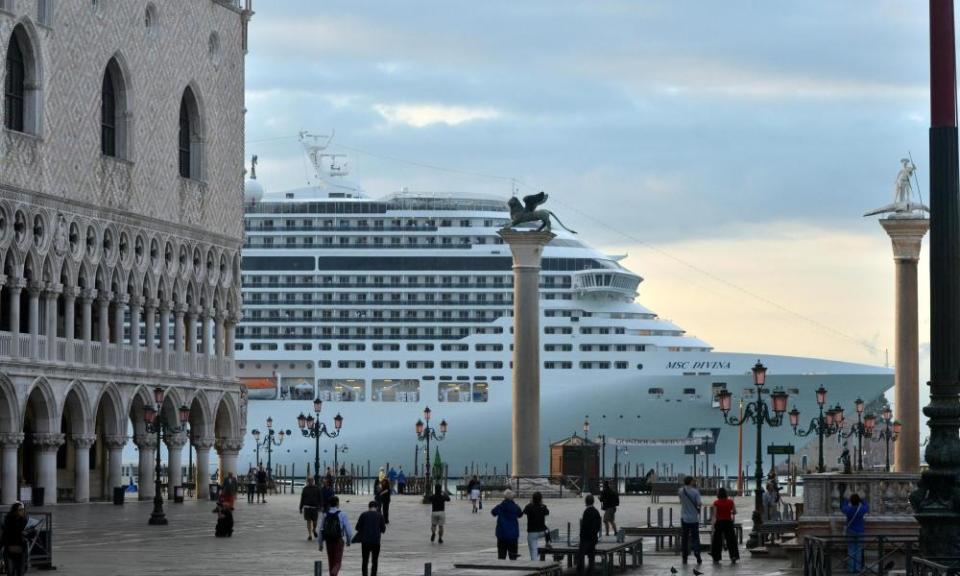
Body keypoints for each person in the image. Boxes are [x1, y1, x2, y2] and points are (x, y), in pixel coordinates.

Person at [321, 496, 353, 576]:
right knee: (337, 562)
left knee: (331, 562)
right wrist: (348, 541)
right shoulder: (342, 514)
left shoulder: (325, 515)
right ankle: (333, 573)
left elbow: (321, 529)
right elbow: (348, 530)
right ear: (337, 503)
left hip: (328, 541)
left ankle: (331, 573)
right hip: (338, 540)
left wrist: (320, 543)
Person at [355, 500, 387, 576]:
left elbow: (357, 528)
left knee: (365, 560)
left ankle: (364, 574)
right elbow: (383, 530)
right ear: (377, 507)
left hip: (365, 541)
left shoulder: (363, 515)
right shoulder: (380, 516)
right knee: (375, 561)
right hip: (376, 541)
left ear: (368, 507)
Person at [710, 487, 739, 564]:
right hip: (728, 522)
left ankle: (716, 557)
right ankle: (733, 556)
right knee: (731, 540)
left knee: (717, 540)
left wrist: (712, 526)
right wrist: (730, 512)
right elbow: (735, 512)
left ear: (718, 494)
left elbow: (714, 515)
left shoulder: (716, 503)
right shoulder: (730, 502)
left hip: (719, 522)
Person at [492, 489, 523, 560]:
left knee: (501, 556)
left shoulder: (500, 506)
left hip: (501, 534)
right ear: (512, 497)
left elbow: (493, 512)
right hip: (513, 535)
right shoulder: (515, 506)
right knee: (513, 556)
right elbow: (520, 514)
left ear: (504, 497)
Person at [841, 493, 869, 573]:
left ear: (851, 501)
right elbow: (867, 506)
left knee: (851, 549)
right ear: (858, 501)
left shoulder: (848, 509)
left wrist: (847, 500)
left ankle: (851, 568)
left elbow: (843, 507)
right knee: (858, 550)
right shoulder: (861, 510)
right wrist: (862, 500)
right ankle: (857, 568)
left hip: (850, 531)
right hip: (860, 531)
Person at [679, 476, 703, 565]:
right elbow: (699, 503)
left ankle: (684, 557)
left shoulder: (681, 491)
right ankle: (697, 553)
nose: (694, 482)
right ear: (690, 482)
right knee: (695, 537)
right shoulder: (695, 492)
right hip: (694, 519)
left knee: (684, 538)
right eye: (693, 481)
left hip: (684, 518)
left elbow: (681, 502)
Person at [576, 494, 602, 575]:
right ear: (593, 502)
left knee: (581, 555)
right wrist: (595, 533)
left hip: (586, 538)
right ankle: (591, 571)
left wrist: (581, 536)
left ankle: (581, 571)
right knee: (591, 556)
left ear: (586, 502)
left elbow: (584, 526)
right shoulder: (596, 511)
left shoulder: (586, 512)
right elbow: (598, 525)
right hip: (593, 537)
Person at [2, 502, 27, 576]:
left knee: (20, 572)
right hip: (10, 550)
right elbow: (6, 535)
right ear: (15, 511)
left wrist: (28, 532)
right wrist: (21, 532)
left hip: (21, 550)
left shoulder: (24, 520)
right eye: (20, 510)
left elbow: (29, 535)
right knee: (10, 572)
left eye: (23, 509)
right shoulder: (8, 521)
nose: (22, 511)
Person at [522, 491, 549, 561]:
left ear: (532, 498)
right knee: (547, 528)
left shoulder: (529, 507)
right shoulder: (543, 507)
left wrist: (530, 503)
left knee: (533, 551)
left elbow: (523, 512)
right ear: (541, 499)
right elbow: (547, 513)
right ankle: (548, 542)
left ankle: (535, 564)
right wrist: (542, 504)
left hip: (532, 532)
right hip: (542, 531)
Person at [299, 476, 323, 540]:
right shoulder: (305, 489)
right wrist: (300, 508)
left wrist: (321, 506)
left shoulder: (317, 488)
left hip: (315, 508)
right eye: (309, 480)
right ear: (307, 481)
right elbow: (302, 499)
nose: (310, 481)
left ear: (313, 481)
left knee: (315, 522)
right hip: (307, 507)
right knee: (308, 521)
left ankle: (314, 529)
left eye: (311, 480)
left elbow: (320, 498)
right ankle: (310, 535)